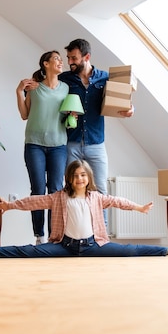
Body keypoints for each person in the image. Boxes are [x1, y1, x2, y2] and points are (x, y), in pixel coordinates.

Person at [0, 160, 168, 258]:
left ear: (88, 177)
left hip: (94, 246)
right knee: (30, 251)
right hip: (64, 247)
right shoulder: (59, 197)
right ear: (69, 179)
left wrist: (138, 207)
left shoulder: (96, 197)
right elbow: (34, 201)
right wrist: (10, 206)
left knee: (130, 250)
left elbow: (117, 201)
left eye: (83, 175)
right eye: (75, 176)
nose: (79, 178)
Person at [58, 39, 135, 231]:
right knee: (71, 190)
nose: (70, 62)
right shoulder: (65, 79)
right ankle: (73, 233)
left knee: (100, 191)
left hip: (96, 143)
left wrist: (130, 108)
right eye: (68, 58)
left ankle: (102, 235)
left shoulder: (106, 78)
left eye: (74, 58)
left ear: (87, 57)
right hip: (71, 143)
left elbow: (123, 97)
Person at [16, 51, 69, 245]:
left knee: (56, 190)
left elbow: (68, 116)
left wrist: (72, 115)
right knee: (38, 190)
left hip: (58, 145)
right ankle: (39, 236)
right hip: (34, 144)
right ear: (45, 64)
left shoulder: (66, 88)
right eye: (56, 59)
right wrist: (18, 92)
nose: (60, 61)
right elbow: (24, 114)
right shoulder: (34, 88)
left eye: (61, 59)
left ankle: (54, 237)